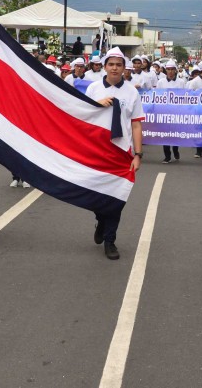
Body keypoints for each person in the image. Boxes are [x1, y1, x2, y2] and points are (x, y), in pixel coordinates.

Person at [84, 47, 144, 260]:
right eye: (111, 64)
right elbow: (83, 117)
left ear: (123, 67)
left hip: (121, 152)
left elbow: (136, 125)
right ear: (104, 66)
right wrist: (95, 105)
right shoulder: (93, 89)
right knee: (96, 195)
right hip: (97, 151)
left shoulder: (132, 92)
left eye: (119, 64)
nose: (115, 68)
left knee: (118, 197)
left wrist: (138, 154)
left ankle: (110, 240)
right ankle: (101, 220)